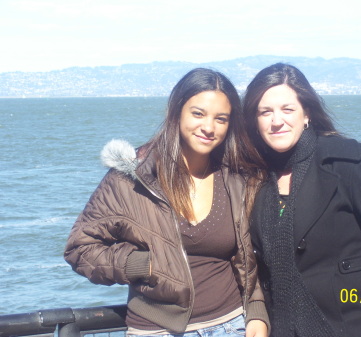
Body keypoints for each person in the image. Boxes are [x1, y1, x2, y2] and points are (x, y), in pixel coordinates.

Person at [64, 68, 269, 337]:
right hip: (157, 330)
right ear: (177, 111)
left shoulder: (236, 177)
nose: (209, 127)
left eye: (221, 119)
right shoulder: (134, 177)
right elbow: (80, 248)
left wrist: (256, 311)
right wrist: (138, 264)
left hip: (232, 324)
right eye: (198, 113)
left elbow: (246, 254)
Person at [242, 63, 361, 337]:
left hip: (350, 327)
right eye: (265, 112)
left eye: (287, 109)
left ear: (307, 114)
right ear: (254, 121)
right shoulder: (254, 176)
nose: (276, 120)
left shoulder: (350, 162)